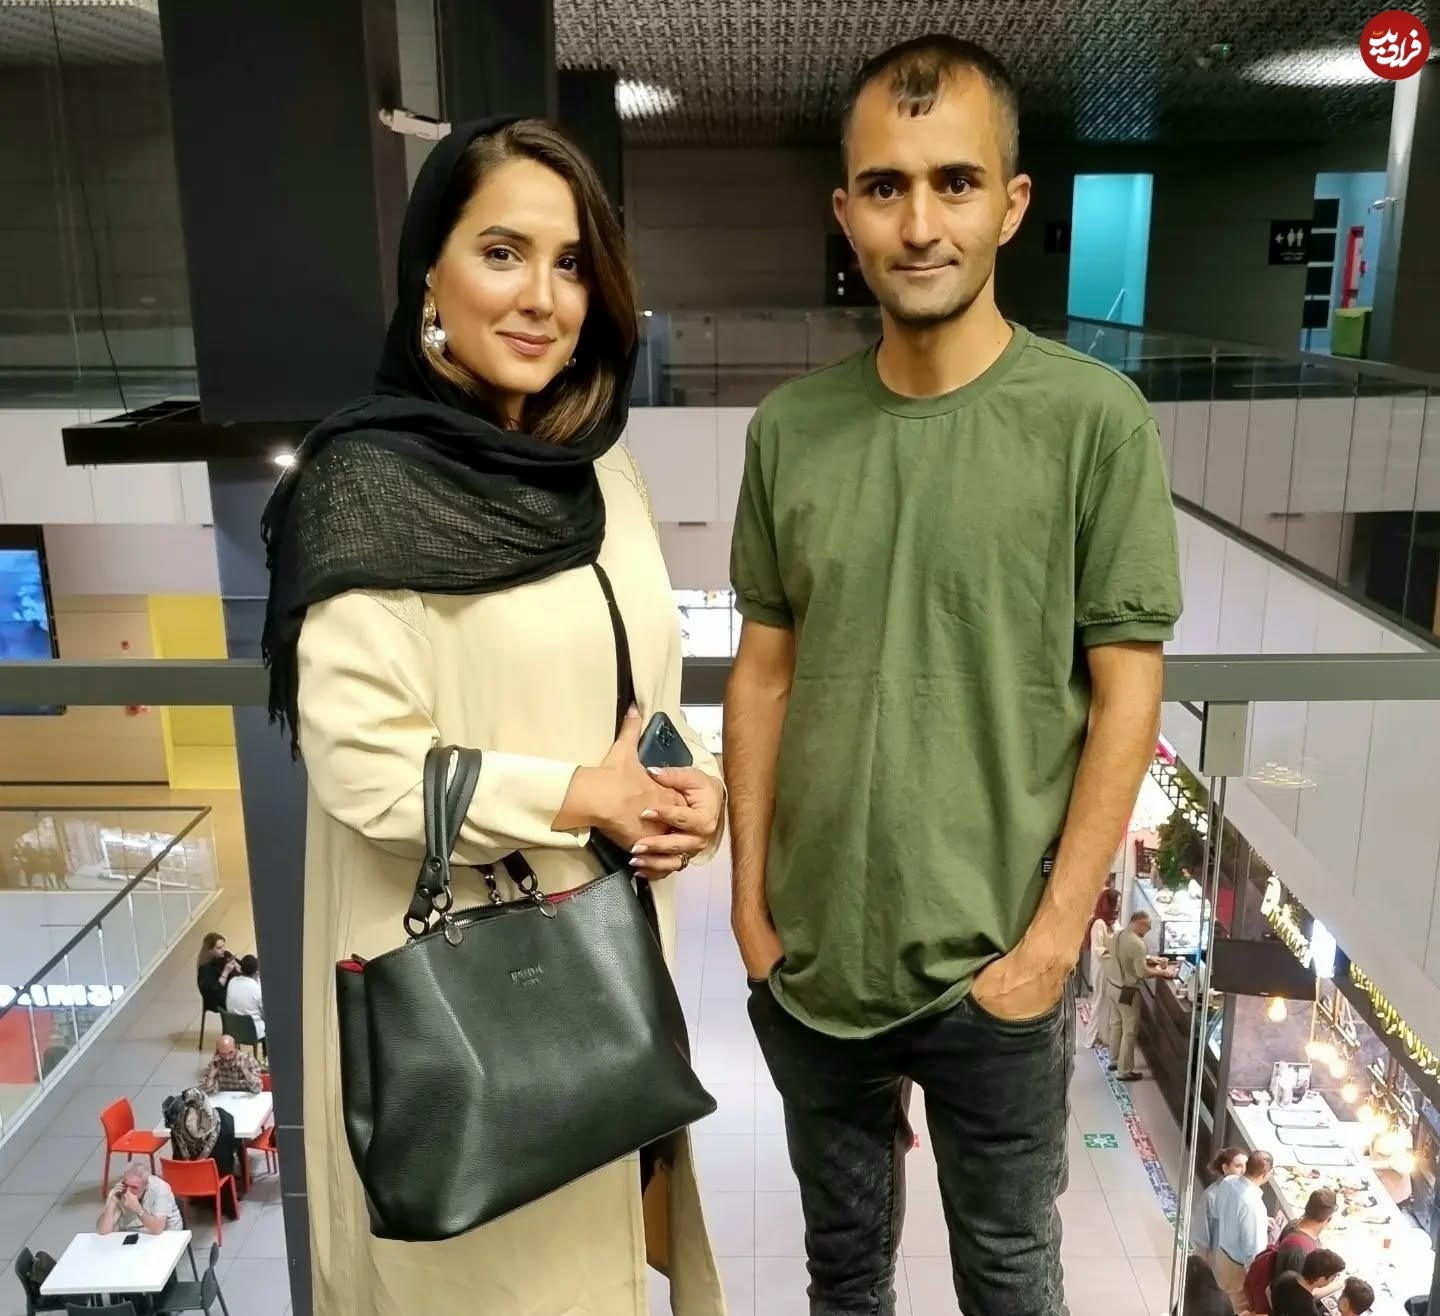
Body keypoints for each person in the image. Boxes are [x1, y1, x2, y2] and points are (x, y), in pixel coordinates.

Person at [724, 32, 1182, 1316]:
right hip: (813, 966)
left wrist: (1052, 943)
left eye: (955, 182)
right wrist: (751, 911)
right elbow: (762, 674)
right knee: (843, 1277)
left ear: (1011, 205)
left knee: (1011, 1279)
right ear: (846, 212)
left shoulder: (1093, 421)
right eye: (886, 186)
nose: (919, 223)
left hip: (1000, 969)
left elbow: (1128, 693)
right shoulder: (789, 429)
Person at [261, 117, 726, 1316]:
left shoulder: (602, 472)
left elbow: (646, 695)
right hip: (472, 1008)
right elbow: (366, 766)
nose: (543, 298)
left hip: (611, 994)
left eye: (571, 264)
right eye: (503, 252)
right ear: (432, 270)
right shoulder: (362, 487)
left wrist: (694, 788)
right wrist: (582, 796)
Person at [1104, 910, 1180, 1080]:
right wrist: (1163, 972)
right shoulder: (1138, 944)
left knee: (1116, 1024)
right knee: (1129, 1030)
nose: (1149, 929)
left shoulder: (1118, 935)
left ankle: (1114, 1060)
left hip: (1112, 985)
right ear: (1138, 923)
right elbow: (1142, 973)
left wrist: (1148, 960)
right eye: (1148, 926)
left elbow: (1125, 957)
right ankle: (1124, 1071)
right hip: (1127, 991)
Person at [1243, 1188, 1338, 1314]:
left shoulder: (1294, 1224)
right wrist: (1339, 1284)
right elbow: (1302, 1292)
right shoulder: (1301, 1253)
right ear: (1328, 1219)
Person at [1207, 1151, 1275, 1311]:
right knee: (1236, 1308)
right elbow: (1255, 1254)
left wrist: (1260, 1221)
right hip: (1238, 1270)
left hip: (1222, 1255)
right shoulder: (1255, 1207)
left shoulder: (1228, 1181)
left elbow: (1218, 1213)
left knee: (1220, 1300)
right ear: (1265, 1174)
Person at [162, 1087, 239, 1219]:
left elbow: (177, 1157)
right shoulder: (223, 1120)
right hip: (217, 1179)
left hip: (188, 1180)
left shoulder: (177, 1132)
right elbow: (232, 1154)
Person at [98, 1159, 183, 1235]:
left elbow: (158, 1229)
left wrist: (138, 1210)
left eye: (134, 1187)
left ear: (146, 1186)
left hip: (165, 1232)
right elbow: (102, 1231)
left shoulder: (160, 1188)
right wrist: (112, 1203)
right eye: (126, 1185)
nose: (128, 1191)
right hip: (132, 1233)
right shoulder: (119, 1190)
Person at [1192, 1147, 1249, 1259]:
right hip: (1219, 1258)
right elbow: (1202, 1238)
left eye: (1246, 1165)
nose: (1244, 1170)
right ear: (1225, 1168)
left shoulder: (1248, 1192)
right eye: (1238, 1166)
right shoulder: (1211, 1196)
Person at [1081, 887, 1121, 1047]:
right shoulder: (1099, 924)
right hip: (1102, 969)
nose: (1118, 906)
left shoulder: (1113, 922)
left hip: (1112, 969)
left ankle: (1103, 1036)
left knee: (1107, 1003)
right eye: (1116, 903)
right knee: (1099, 1001)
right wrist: (1115, 954)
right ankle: (1090, 1039)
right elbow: (1098, 949)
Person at [1269, 1249, 1347, 1316]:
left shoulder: (1287, 1275)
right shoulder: (1309, 1310)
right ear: (1321, 1279)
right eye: (1334, 1277)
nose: (1334, 1280)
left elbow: (1268, 1290)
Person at [224, 953, 265, 1040]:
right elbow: (265, 1014)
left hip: (233, 1029)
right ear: (257, 971)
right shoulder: (256, 988)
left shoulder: (232, 981)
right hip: (253, 1031)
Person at [195, 931, 238, 1013]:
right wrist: (226, 972)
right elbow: (214, 989)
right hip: (216, 999)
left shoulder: (225, 955)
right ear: (210, 950)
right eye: (219, 948)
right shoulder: (205, 968)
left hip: (229, 991)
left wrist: (237, 966)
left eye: (223, 946)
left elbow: (241, 967)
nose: (223, 950)